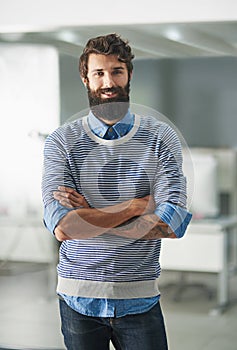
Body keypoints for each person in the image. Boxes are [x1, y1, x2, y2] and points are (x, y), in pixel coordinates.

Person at [42, 33, 192, 350]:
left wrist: (89, 214)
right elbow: (64, 228)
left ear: (129, 75)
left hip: (140, 297)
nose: (108, 82)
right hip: (78, 298)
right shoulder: (61, 142)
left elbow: (172, 223)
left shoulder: (159, 136)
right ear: (85, 78)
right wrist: (138, 205)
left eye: (116, 71)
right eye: (99, 73)